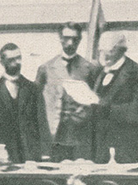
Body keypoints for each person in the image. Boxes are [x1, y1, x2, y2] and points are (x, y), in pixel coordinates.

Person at [35, 22, 101, 161]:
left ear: (80, 40)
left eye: (75, 39)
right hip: (55, 134)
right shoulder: (46, 68)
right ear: (60, 38)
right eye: (66, 38)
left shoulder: (89, 69)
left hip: (80, 134)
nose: (70, 42)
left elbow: (97, 100)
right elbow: (36, 102)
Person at [92, 32, 138, 163]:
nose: (104, 55)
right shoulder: (99, 72)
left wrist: (105, 106)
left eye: (110, 50)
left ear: (122, 50)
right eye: (101, 51)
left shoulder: (137, 74)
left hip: (126, 149)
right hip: (101, 147)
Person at [0, 43, 41, 164]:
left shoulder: (33, 89)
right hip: (4, 157)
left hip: (30, 157)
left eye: (19, 58)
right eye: (11, 59)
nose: (17, 62)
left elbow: (41, 124)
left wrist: (42, 155)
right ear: (2, 62)